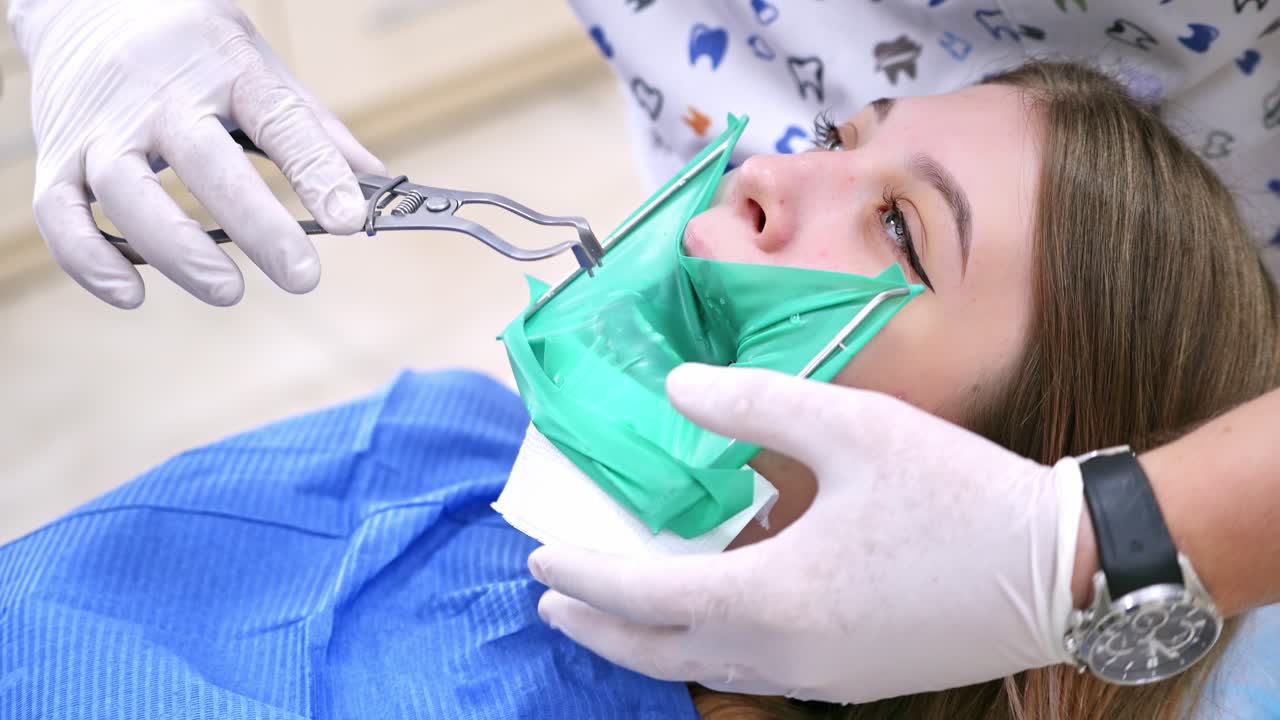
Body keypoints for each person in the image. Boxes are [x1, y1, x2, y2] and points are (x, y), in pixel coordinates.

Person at [7, 0, 1280, 709]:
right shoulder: (436, 439)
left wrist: (1074, 551)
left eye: (899, 224)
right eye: (834, 130)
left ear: (1007, 462)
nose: (766, 167)